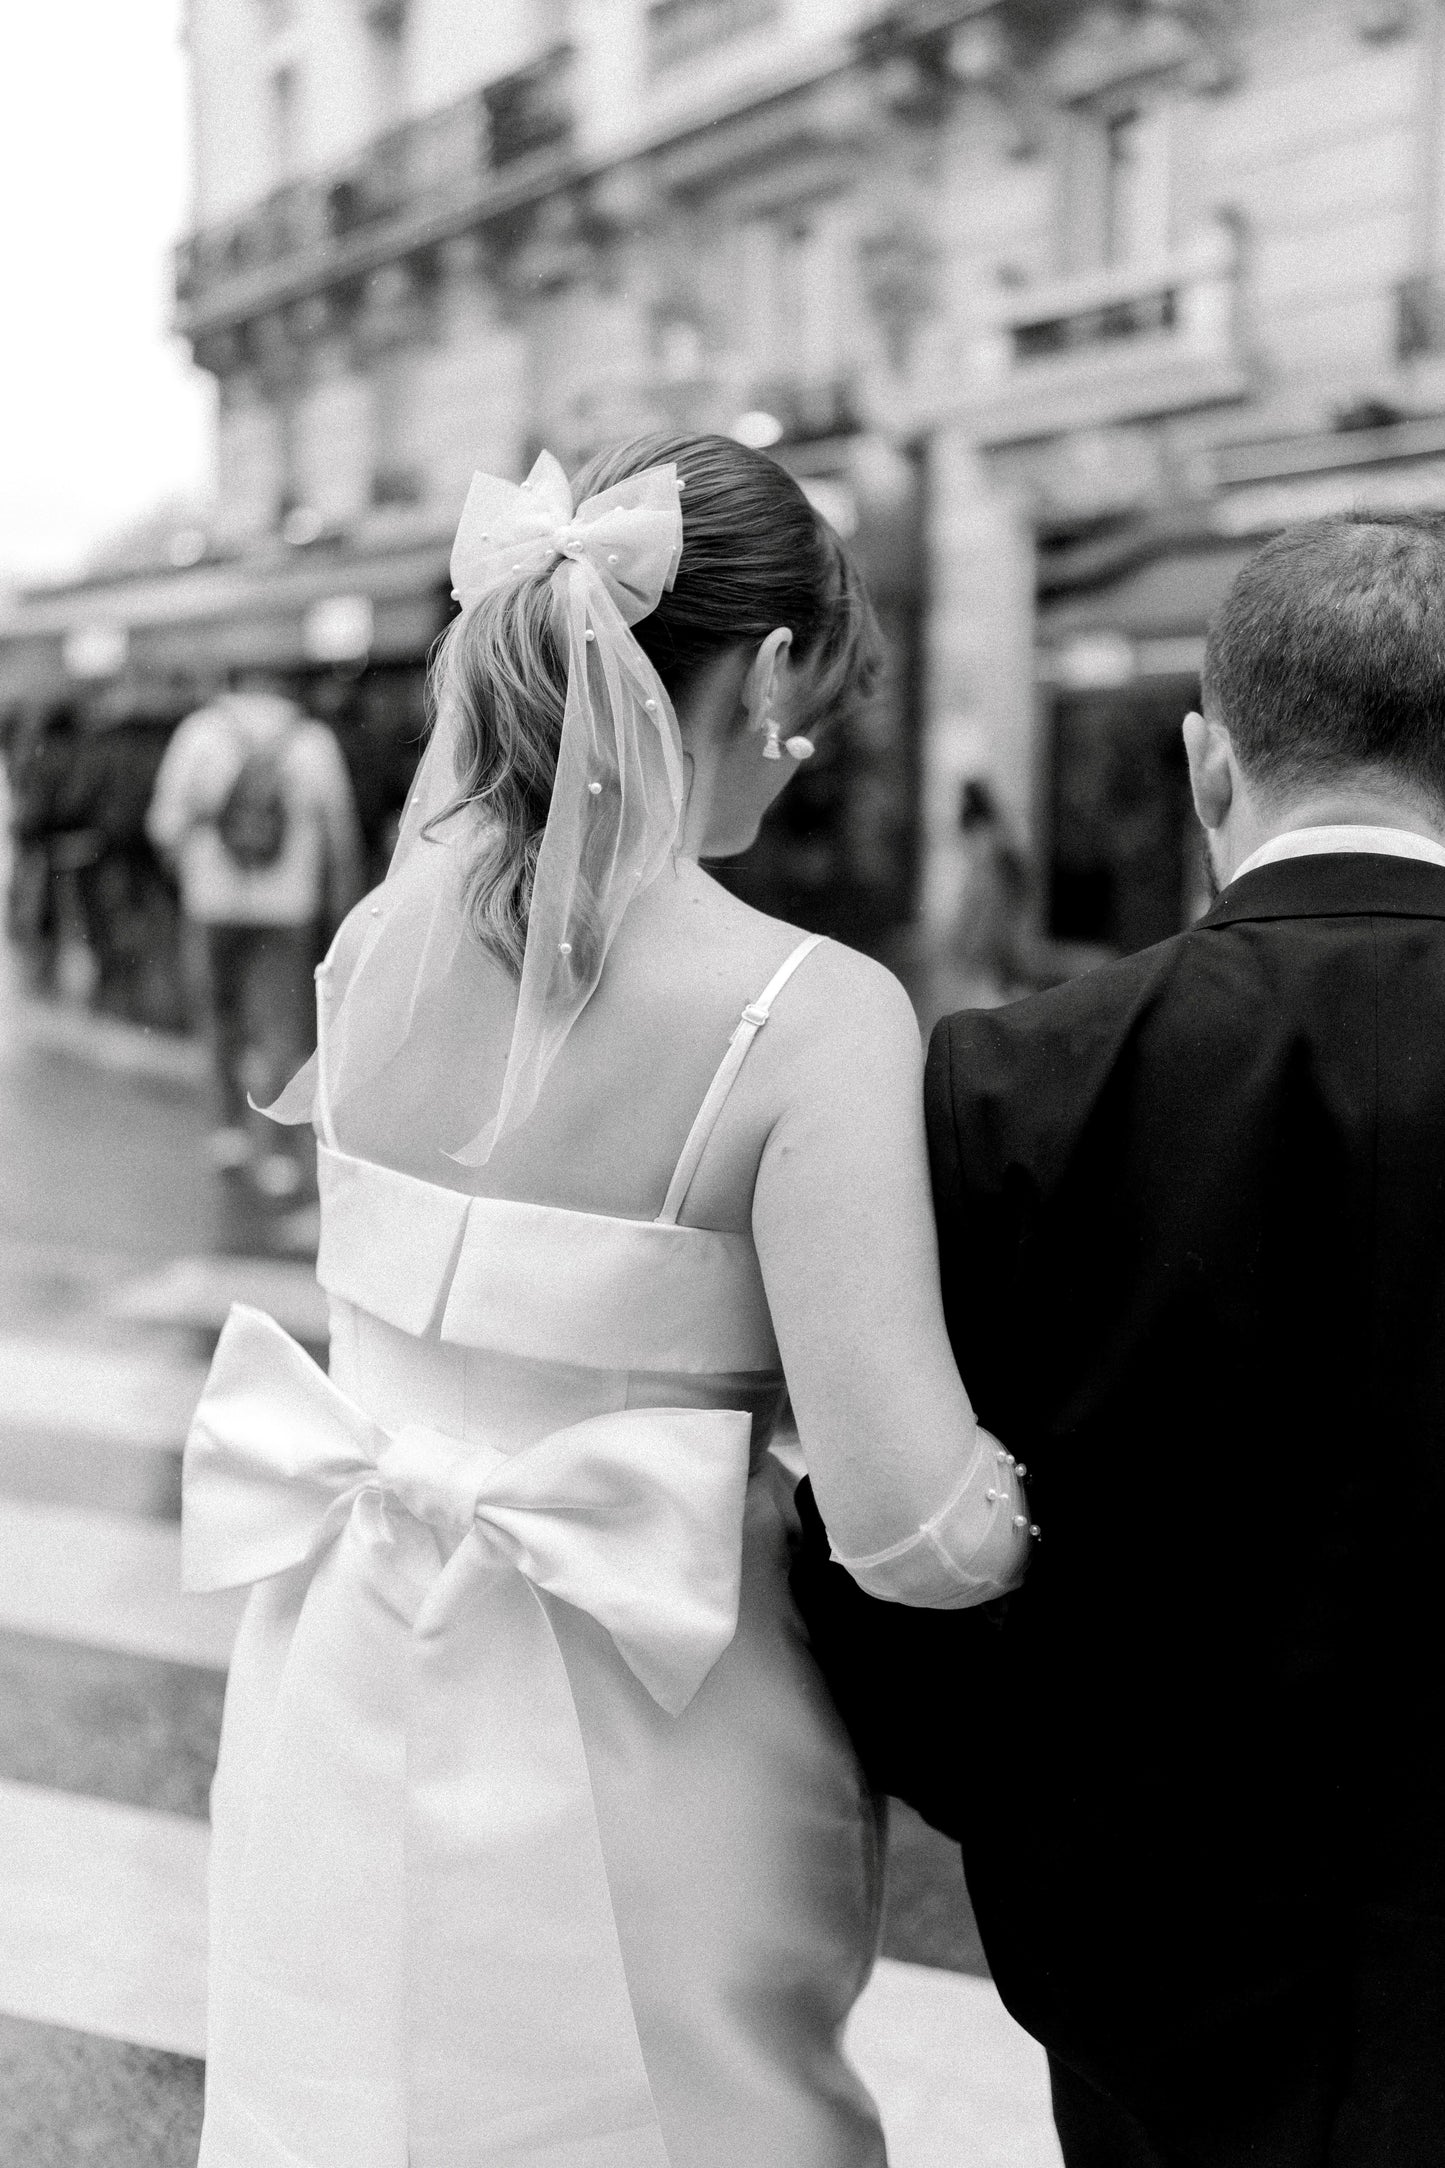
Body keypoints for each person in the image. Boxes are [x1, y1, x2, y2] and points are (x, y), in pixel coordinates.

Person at [180, 436, 1038, 2168]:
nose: (798, 764)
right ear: (775, 669)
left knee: (355, 2100)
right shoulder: (807, 1014)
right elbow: (903, 1521)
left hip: (334, 1678)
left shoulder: (376, 948)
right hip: (662, 1729)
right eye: (817, 717)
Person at [793, 512, 1445, 2167]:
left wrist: (1027, 1812)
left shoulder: (1009, 1077)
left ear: (1203, 762)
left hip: (1154, 1934)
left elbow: (880, 1538)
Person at [147, 669, 363, 1194]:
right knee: (282, 1029)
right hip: (288, 908)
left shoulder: (199, 732)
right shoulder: (312, 741)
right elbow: (341, 833)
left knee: (220, 1016)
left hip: (212, 902)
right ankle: (282, 1155)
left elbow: (163, 825)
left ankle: (229, 1134)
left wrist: (190, 869)